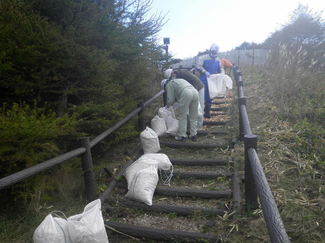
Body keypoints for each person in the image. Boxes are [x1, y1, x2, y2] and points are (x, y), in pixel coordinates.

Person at [163, 68, 199, 142]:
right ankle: (193, 135)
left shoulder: (169, 84)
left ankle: (182, 135)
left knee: (182, 116)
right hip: (195, 92)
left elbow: (171, 99)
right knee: (193, 116)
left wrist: (167, 106)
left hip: (186, 93)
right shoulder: (180, 80)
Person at [196, 43, 223, 118]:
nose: (214, 54)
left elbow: (220, 68)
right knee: (203, 95)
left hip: (212, 81)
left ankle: (207, 111)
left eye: (216, 53)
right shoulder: (203, 58)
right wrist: (204, 72)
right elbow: (198, 66)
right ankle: (200, 112)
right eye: (213, 52)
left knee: (210, 95)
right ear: (211, 51)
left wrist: (222, 73)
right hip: (204, 80)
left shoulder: (218, 59)